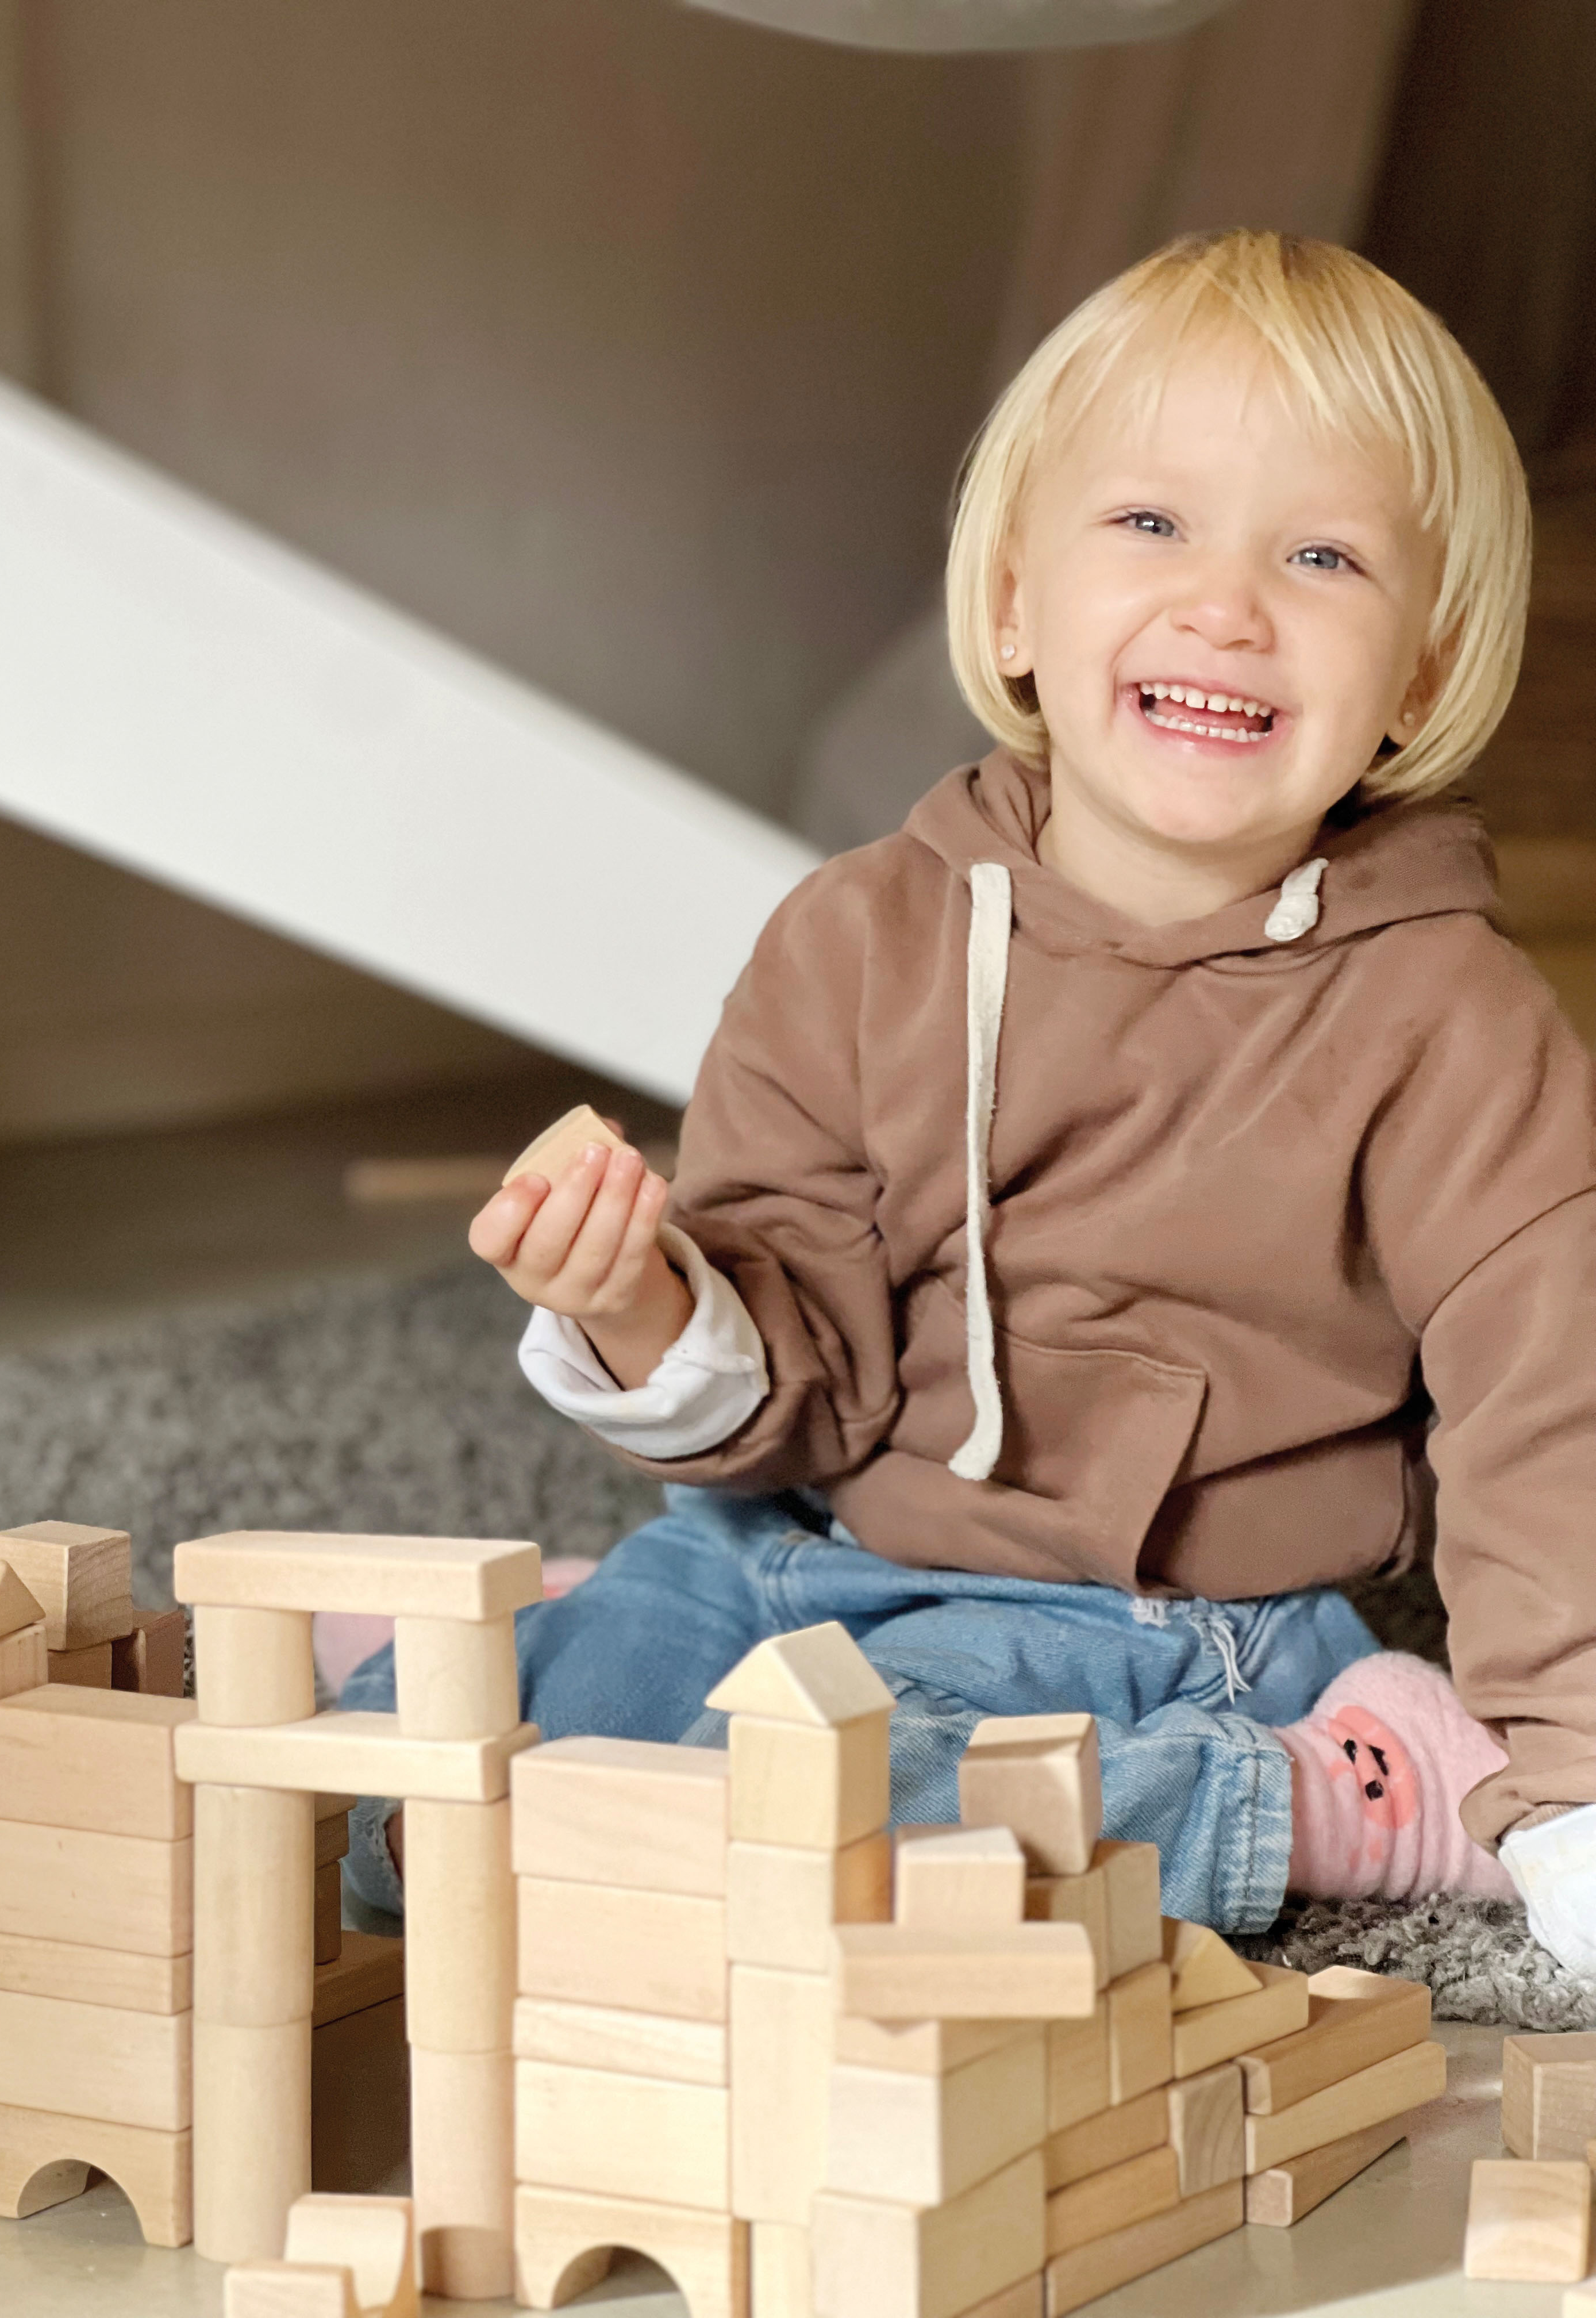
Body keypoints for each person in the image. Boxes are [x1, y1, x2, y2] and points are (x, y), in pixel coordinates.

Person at [345, 231, 1596, 1971]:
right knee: (410, 1807)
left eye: (1321, 555)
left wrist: (1570, 1779)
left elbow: (1555, 1411)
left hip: (1166, 1625)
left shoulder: (1450, 1016)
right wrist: (642, 1301)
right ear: (1013, 601)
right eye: (1151, 524)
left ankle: (1341, 1787)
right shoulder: (856, 935)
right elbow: (801, 1349)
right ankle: (597, 1655)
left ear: (1421, 670)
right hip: (803, 1544)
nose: (1226, 603)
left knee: (794, 1849)